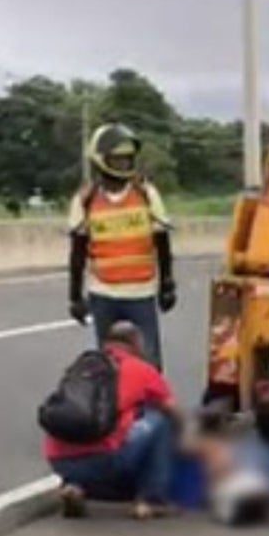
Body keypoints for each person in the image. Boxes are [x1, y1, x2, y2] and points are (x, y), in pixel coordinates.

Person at [46, 321, 181, 520]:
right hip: (106, 460)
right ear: (136, 343)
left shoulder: (81, 367)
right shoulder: (141, 369)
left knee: (105, 436)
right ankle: (152, 500)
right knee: (160, 421)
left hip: (60, 459)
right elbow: (174, 412)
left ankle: (74, 486)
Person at [68, 123, 176, 369]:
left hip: (141, 294)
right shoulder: (85, 199)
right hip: (103, 294)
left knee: (149, 364)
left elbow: (162, 243)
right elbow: (77, 253)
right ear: (101, 160)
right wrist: (75, 298)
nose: (124, 164)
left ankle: (149, 407)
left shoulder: (146, 193)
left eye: (128, 159)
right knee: (109, 365)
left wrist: (167, 284)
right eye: (118, 159)